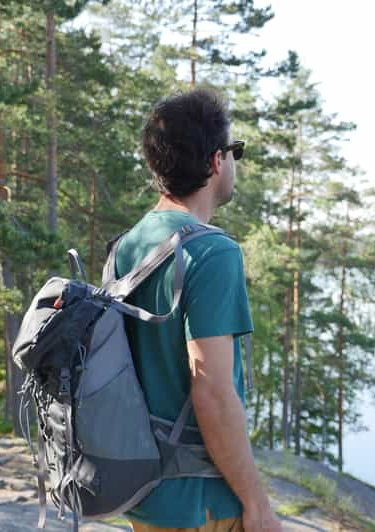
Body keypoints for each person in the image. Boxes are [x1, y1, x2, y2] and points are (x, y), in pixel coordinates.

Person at [114, 88, 282, 532]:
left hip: (145, 494)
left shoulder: (126, 246)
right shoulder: (212, 252)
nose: (234, 162)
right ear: (215, 161)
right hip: (203, 501)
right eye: (235, 152)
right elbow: (212, 392)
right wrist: (258, 505)